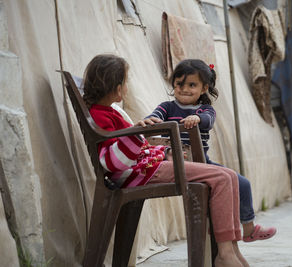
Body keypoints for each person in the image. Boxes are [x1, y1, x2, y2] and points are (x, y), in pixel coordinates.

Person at [82, 54, 249, 267]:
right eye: (126, 81)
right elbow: (112, 162)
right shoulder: (101, 115)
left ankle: (232, 249)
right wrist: (136, 133)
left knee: (229, 176)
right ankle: (224, 254)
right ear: (116, 88)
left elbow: (127, 143)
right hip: (142, 172)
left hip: (146, 168)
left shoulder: (110, 112)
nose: (127, 86)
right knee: (224, 177)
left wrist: (140, 133)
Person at [138, 59, 276, 242]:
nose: (184, 89)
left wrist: (197, 118)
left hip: (202, 162)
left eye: (192, 85)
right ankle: (216, 227)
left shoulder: (206, 109)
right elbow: (155, 116)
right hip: (173, 163)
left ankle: (249, 229)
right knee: (216, 187)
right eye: (179, 84)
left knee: (241, 183)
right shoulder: (167, 107)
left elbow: (208, 120)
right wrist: (149, 121)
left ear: (203, 89)